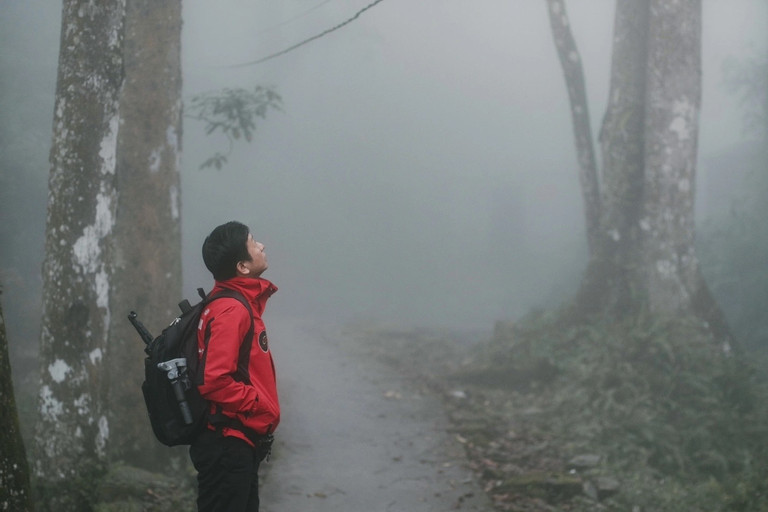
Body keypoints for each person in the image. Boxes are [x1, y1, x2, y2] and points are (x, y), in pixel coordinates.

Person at [190, 221, 280, 512]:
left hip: (235, 441)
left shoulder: (232, 303)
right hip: (228, 444)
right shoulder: (232, 310)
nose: (262, 246)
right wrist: (259, 407)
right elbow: (214, 380)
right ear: (242, 266)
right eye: (254, 243)